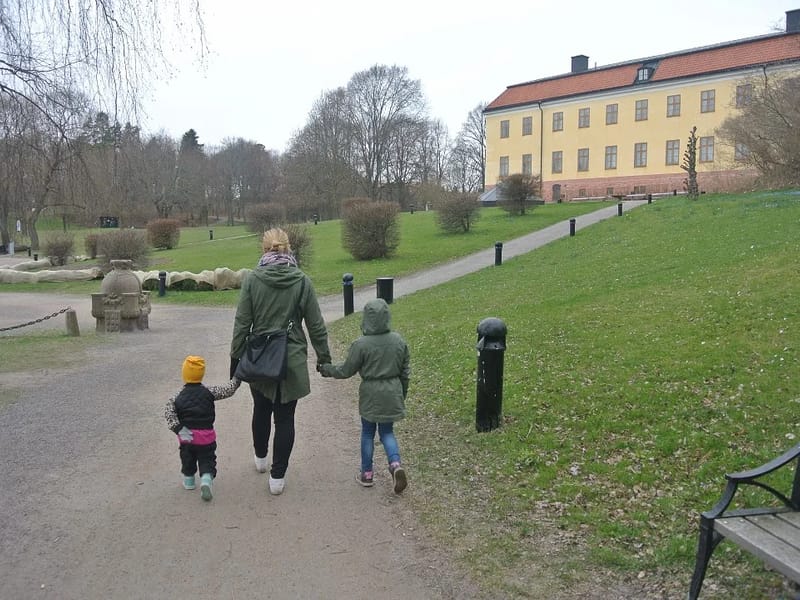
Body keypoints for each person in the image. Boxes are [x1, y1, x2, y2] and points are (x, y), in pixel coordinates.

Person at [230, 228, 331, 496]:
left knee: (261, 408)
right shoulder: (302, 281)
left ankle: (261, 458)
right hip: (291, 358)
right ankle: (278, 476)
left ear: (264, 250)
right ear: (289, 249)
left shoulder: (252, 280)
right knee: (285, 418)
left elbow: (242, 322)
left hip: (260, 356)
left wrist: (235, 357)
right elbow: (316, 325)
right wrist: (324, 358)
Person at [319, 298, 410, 494]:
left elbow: (346, 370)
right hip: (392, 390)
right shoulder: (398, 341)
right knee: (387, 432)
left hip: (370, 392)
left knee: (368, 432)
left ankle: (367, 474)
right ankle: (395, 464)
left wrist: (327, 369)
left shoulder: (361, 345)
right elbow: (405, 371)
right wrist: (402, 393)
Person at [163, 356, 241, 501]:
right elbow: (228, 390)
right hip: (206, 436)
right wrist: (237, 378)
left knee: (187, 458)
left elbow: (169, 416)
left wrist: (179, 429)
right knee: (207, 459)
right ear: (201, 374)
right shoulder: (210, 391)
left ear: (184, 374)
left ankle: (189, 481)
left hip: (187, 437)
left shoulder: (176, 397)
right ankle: (206, 479)